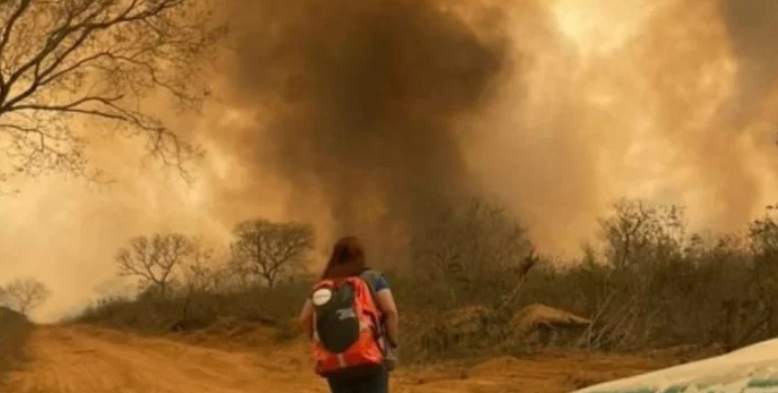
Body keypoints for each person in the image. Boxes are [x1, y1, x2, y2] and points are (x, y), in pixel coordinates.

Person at [299, 236, 399, 393]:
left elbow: (304, 318)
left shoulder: (323, 285)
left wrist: (319, 340)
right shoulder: (374, 278)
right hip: (369, 358)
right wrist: (391, 343)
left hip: (336, 361)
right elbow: (390, 311)